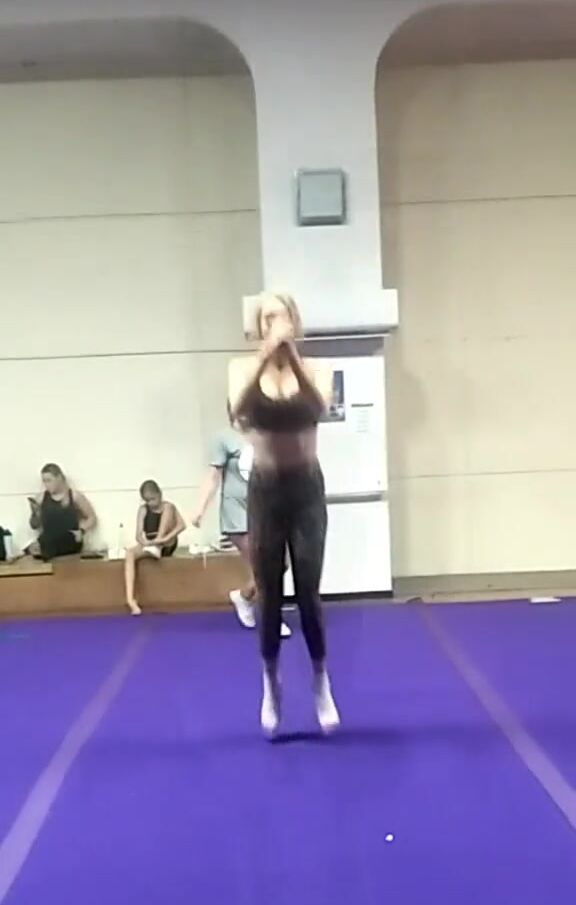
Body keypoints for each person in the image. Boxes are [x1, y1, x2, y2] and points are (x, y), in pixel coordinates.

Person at [229, 291, 340, 736]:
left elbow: (320, 408)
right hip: (266, 491)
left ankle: (320, 680)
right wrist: (264, 357)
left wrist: (291, 356)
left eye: (281, 316)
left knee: (309, 591)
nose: (274, 324)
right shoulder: (241, 369)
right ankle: (270, 682)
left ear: (294, 321)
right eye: (267, 318)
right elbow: (237, 410)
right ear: (259, 326)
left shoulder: (315, 369)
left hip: (305, 489)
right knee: (269, 595)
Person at [192, 405, 291, 638]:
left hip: (265, 509)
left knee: (281, 564)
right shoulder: (224, 439)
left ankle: (243, 596)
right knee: (264, 566)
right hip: (237, 513)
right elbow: (213, 476)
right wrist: (200, 509)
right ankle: (272, 620)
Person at [124, 480, 185, 616]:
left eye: (153, 499)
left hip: (166, 542)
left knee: (168, 509)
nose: (151, 503)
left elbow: (181, 526)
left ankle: (157, 546)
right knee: (129, 553)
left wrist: (163, 539)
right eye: (147, 500)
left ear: (160, 494)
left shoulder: (169, 507)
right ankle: (130, 600)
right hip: (150, 545)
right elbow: (138, 535)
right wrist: (144, 542)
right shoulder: (143, 510)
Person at [29, 463, 97, 561]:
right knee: (42, 543)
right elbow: (34, 526)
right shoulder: (40, 498)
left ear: (59, 478)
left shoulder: (74, 496)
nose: (46, 485)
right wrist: (35, 513)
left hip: (69, 540)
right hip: (49, 541)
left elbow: (92, 517)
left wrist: (82, 531)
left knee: (52, 542)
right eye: (44, 481)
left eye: (49, 480)